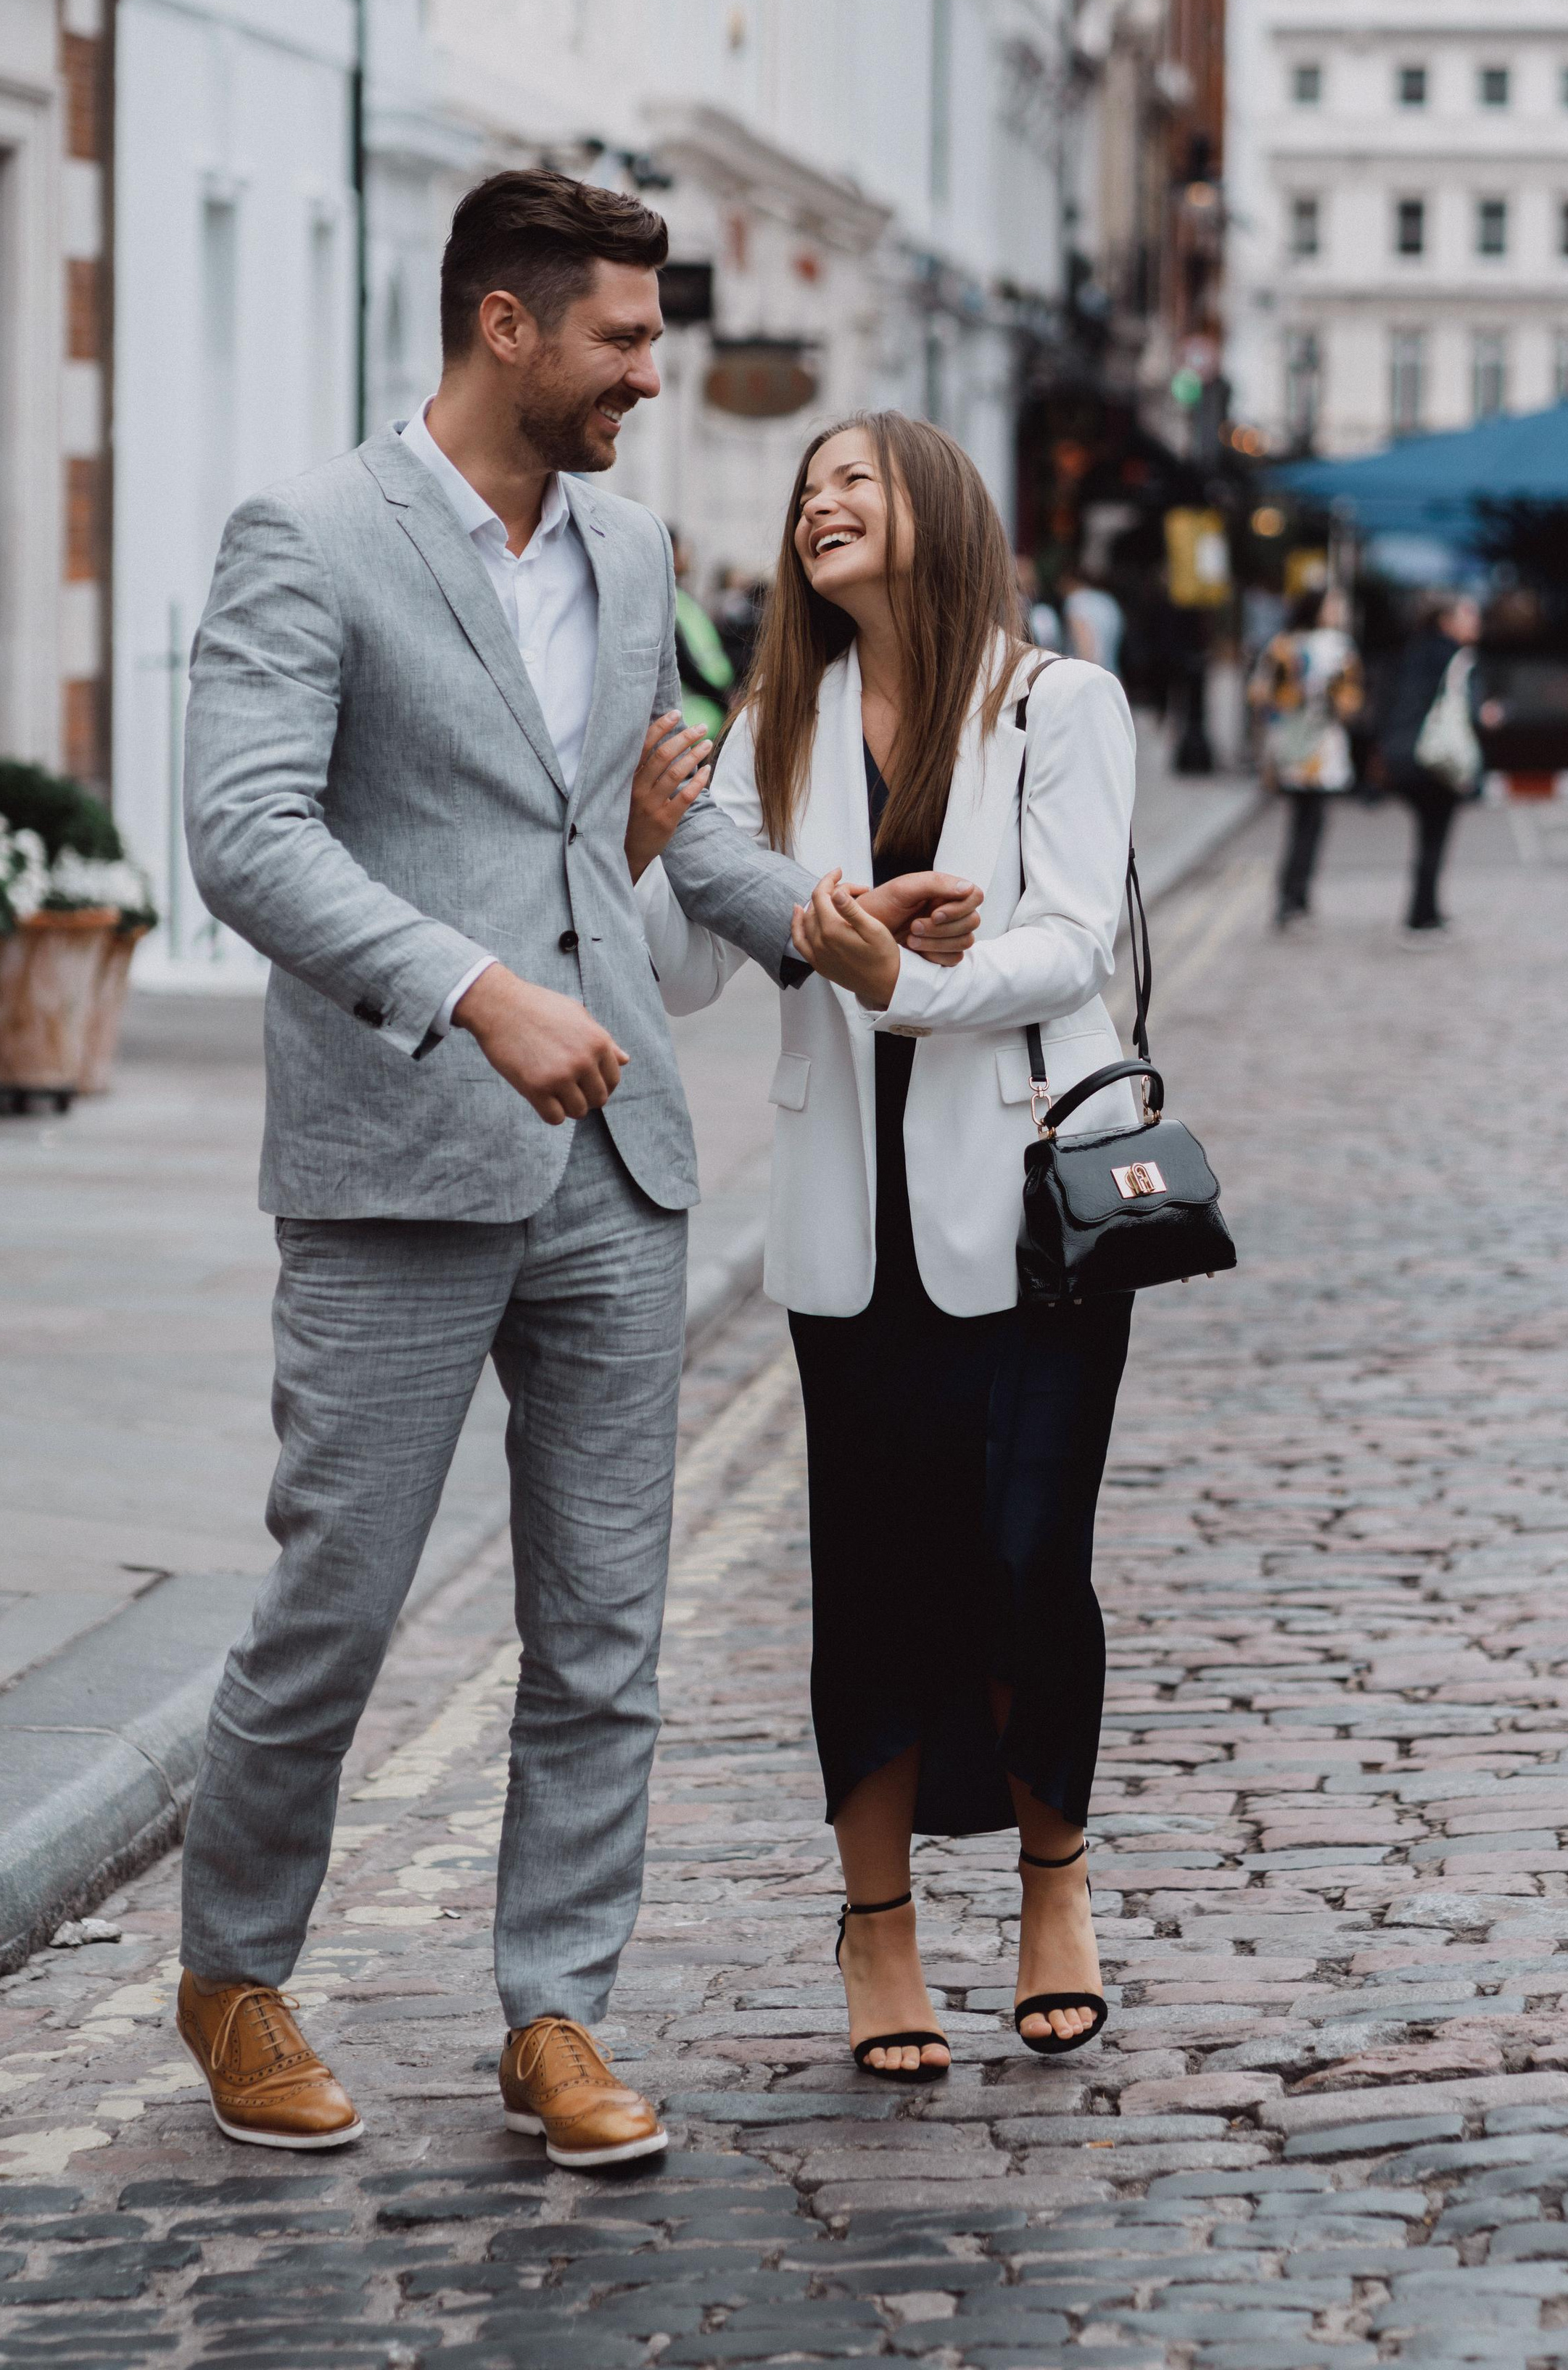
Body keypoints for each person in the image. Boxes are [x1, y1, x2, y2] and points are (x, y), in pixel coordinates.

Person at [175, 173, 981, 2168]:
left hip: (616, 1163)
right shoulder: (312, 539)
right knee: (339, 1598)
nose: (653, 369)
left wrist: (824, 914)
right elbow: (247, 834)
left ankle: (558, 2007)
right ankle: (234, 1969)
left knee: (605, 1618)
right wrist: (470, 990)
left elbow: (675, 823)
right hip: (397, 1163)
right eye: (624, 337)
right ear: (507, 328)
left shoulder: (628, 547)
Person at [637, 413, 1140, 2077]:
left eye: (851, 480)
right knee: (864, 1582)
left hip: (1029, 1224)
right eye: (802, 492)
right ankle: (879, 1932)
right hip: (847, 1238)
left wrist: (898, 980)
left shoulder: (1054, 705)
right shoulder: (774, 722)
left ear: (934, 507)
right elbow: (688, 971)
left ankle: (1052, 1892)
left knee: (1023, 1570)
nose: (818, 506)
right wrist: (647, 837)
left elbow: (1067, 943)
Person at [1379, 590, 1498, 941]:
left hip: (1404, 753)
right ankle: (1422, 917)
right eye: (1468, 615)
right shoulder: (1458, 659)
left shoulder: (1412, 651)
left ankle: (1426, 911)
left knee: (1428, 836)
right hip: (1436, 758)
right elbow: (1469, 713)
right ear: (1447, 621)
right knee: (1434, 837)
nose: (1475, 622)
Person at [1248, 585, 1364, 930]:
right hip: (1321, 746)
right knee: (1312, 824)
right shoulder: (1340, 647)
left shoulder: (1281, 645)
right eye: (1334, 604)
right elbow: (1350, 701)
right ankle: (1296, 897)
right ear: (1319, 608)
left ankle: (1291, 897)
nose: (1339, 610)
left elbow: (1259, 693)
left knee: (1299, 821)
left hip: (1287, 744)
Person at [669, 530, 735, 740]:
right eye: (681, 549)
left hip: (709, 718)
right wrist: (723, 700)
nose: (686, 556)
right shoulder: (665, 601)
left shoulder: (683, 597)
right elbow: (684, 664)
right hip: (694, 720)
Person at [1060, 566, 1126, 678]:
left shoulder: (1076, 601)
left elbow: (1084, 643)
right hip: (1112, 674)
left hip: (1089, 676)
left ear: (1068, 581)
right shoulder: (1108, 600)